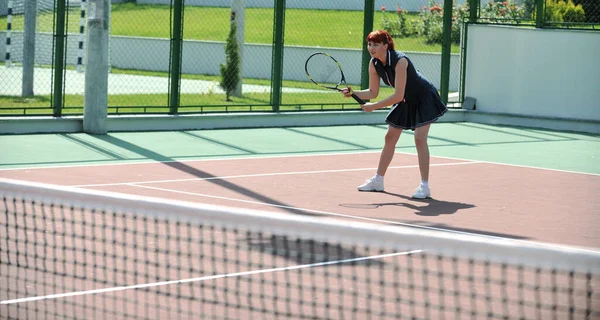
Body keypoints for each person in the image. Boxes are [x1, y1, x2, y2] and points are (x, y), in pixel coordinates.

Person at [342, 29, 447, 199]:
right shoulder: (374, 63)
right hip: (406, 99)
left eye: (376, 44)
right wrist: (353, 93)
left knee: (420, 139)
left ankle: (425, 186)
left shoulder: (400, 61)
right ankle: (378, 180)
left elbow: (398, 95)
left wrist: (374, 107)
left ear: (386, 45)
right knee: (390, 137)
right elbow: (372, 92)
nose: (371, 48)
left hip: (423, 97)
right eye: (369, 44)